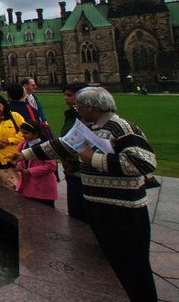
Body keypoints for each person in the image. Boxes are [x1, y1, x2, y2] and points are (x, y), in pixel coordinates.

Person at [10, 86, 157, 301]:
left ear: (90, 106)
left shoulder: (120, 127)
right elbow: (61, 146)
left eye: (79, 106)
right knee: (107, 262)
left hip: (124, 209)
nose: (76, 109)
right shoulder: (89, 127)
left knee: (133, 264)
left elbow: (144, 162)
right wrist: (24, 154)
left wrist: (93, 159)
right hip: (98, 205)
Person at [60, 82, 89, 222]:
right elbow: (64, 142)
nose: (65, 98)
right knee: (76, 215)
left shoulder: (87, 117)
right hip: (72, 170)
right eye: (64, 95)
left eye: (69, 95)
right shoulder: (72, 115)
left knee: (84, 215)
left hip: (84, 172)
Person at [14, 121, 58, 207]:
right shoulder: (23, 145)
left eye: (26, 133)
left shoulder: (44, 147)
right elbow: (20, 160)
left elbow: (51, 166)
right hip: (28, 185)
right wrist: (19, 165)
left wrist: (30, 171)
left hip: (43, 186)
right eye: (22, 132)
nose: (23, 135)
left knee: (45, 213)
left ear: (36, 134)